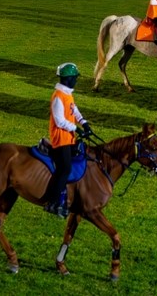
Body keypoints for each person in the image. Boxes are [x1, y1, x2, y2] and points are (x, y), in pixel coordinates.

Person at [41, 62, 91, 217]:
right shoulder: (58, 97)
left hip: (68, 137)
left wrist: (84, 122)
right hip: (60, 139)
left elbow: (73, 109)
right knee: (65, 169)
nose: (76, 80)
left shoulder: (67, 94)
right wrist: (77, 128)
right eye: (75, 78)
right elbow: (59, 121)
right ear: (68, 79)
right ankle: (53, 202)